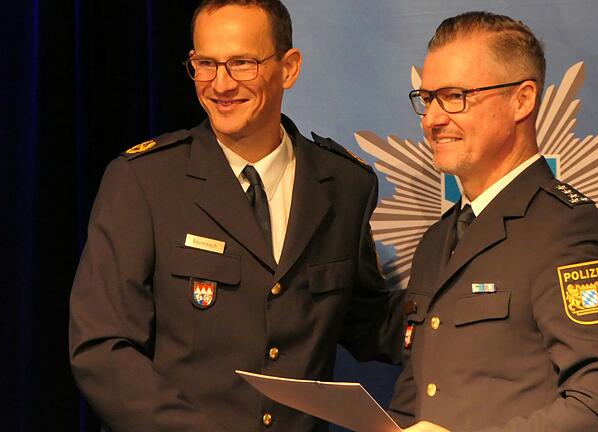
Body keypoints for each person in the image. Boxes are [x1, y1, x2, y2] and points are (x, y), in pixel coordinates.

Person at [68, 1, 401, 430]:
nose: (220, 84)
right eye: (205, 63)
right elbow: (101, 347)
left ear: (290, 67)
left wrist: (464, 323)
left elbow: (363, 319)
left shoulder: (345, 185)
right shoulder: (144, 181)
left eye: (242, 63)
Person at [387, 11, 598, 432]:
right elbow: (416, 401)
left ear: (522, 100)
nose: (432, 119)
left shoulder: (570, 231)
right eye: (427, 98)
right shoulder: (437, 240)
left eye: (455, 96)